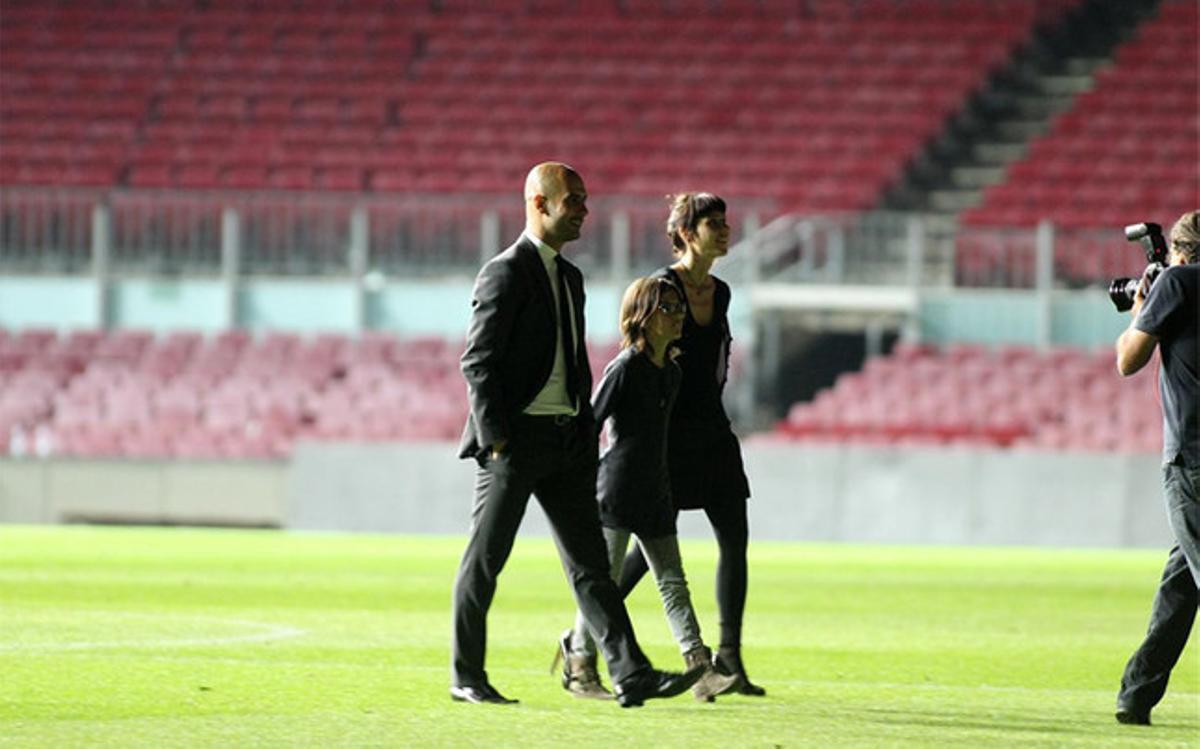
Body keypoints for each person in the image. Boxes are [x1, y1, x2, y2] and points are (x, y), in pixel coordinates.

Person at [450, 162, 703, 708]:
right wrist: (496, 440)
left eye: (585, 200)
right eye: (575, 201)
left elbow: (574, 364)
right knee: (486, 560)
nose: (585, 210)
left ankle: (631, 674)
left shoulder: (571, 277)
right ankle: (467, 674)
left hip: (566, 444)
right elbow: (478, 363)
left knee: (593, 568)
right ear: (539, 203)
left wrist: (584, 434)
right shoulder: (503, 273)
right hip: (514, 445)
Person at [553, 277, 739, 702]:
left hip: (656, 491)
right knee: (604, 582)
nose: (679, 317)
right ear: (645, 315)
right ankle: (579, 661)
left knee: (673, 582)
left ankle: (699, 667)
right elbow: (592, 425)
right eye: (669, 309)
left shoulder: (671, 373)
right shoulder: (623, 369)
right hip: (616, 491)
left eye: (679, 309)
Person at [615, 192, 764, 695]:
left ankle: (730, 660)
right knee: (650, 547)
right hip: (668, 432)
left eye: (725, 221)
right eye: (713, 223)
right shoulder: (661, 287)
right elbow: (636, 354)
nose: (724, 230)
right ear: (685, 233)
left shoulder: (721, 292)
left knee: (734, 539)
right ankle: (588, 632)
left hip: (712, 430)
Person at [1113, 209, 1199, 726]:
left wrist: (1140, 308)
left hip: (1192, 456)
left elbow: (1128, 360)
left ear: (1182, 253)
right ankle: (1136, 692)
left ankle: (1136, 693)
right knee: (1181, 581)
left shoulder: (1178, 282)